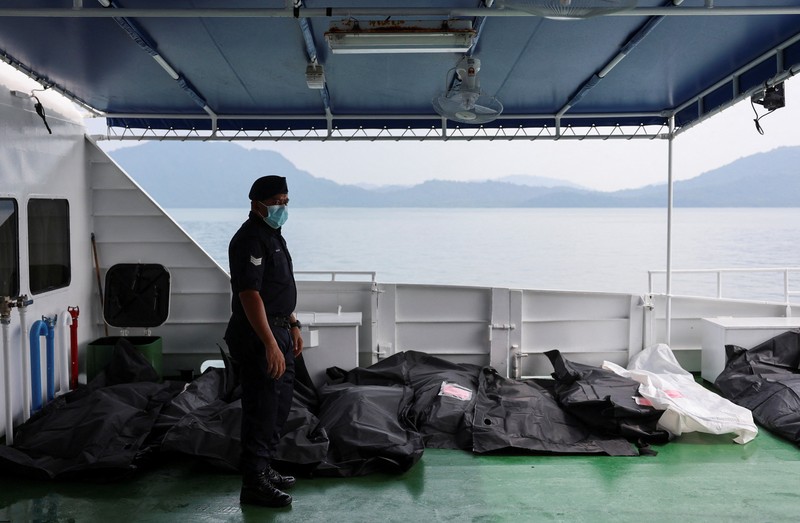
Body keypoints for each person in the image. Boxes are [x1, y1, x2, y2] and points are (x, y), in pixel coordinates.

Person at [224, 175, 304, 508]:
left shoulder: (273, 235)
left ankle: (265, 466)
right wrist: (270, 344)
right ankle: (253, 482)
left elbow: (277, 288)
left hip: (280, 330)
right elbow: (250, 295)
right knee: (262, 408)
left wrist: (294, 324)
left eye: (285, 202)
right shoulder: (249, 239)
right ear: (257, 204)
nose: (281, 207)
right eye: (275, 202)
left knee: (279, 406)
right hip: (259, 336)